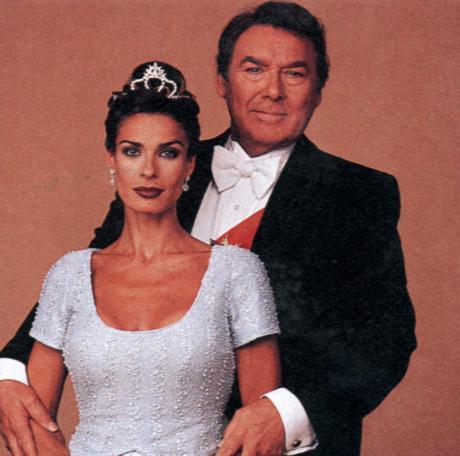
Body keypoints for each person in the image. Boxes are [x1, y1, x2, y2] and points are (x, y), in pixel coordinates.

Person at [0, 2, 416, 455]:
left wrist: (288, 411)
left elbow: (385, 339)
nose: (272, 91)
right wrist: (7, 375)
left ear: (318, 90)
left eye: (294, 74)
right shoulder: (164, 163)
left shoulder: (359, 193)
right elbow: (84, 289)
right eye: (254, 69)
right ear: (222, 81)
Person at [5, 61, 282, 455]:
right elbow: (34, 425)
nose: (149, 170)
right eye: (132, 151)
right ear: (112, 159)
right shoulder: (69, 275)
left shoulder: (237, 272)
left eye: (168, 153)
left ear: (189, 164)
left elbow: (260, 429)